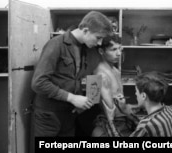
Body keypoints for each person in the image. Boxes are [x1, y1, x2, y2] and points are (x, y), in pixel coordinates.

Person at [30, 10, 113, 141]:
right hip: (49, 115)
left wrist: (84, 101)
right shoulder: (56, 45)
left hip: (70, 114)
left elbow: (82, 79)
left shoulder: (89, 50)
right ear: (85, 30)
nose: (99, 43)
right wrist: (72, 98)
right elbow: (38, 83)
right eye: (98, 37)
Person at [92, 34, 136, 137]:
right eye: (114, 49)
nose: (119, 53)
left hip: (122, 120)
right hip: (110, 124)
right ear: (101, 51)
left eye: (120, 49)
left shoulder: (115, 70)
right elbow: (97, 104)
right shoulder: (99, 74)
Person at [130, 72, 172, 137]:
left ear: (143, 96)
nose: (136, 94)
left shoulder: (146, 126)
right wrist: (130, 115)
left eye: (136, 91)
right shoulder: (169, 111)